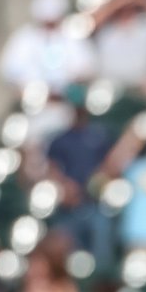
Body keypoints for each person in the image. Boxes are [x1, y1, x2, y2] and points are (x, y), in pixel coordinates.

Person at [45, 86, 117, 267]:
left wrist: (98, 181)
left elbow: (108, 165)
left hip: (95, 204)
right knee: (65, 253)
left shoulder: (97, 135)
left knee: (102, 248)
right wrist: (65, 186)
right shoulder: (59, 140)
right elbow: (52, 169)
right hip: (69, 206)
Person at [0, 0, 96, 96]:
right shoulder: (25, 38)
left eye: (53, 24)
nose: (49, 29)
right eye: (46, 24)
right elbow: (11, 68)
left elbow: (86, 65)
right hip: (34, 98)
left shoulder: (72, 35)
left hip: (68, 98)